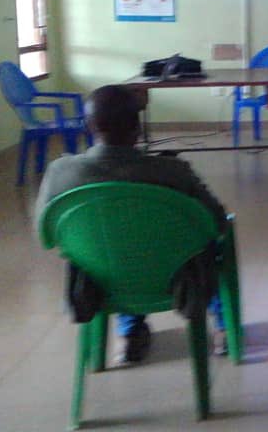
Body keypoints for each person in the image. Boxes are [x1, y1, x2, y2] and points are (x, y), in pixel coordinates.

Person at [35, 85, 230, 364]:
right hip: (176, 278)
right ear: (137, 127)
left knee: (116, 243)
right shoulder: (173, 172)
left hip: (101, 280)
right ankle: (223, 327)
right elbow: (217, 222)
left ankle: (129, 335)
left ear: (89, 126)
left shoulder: (61, 173)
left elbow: (44, 236)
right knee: (209, 245)